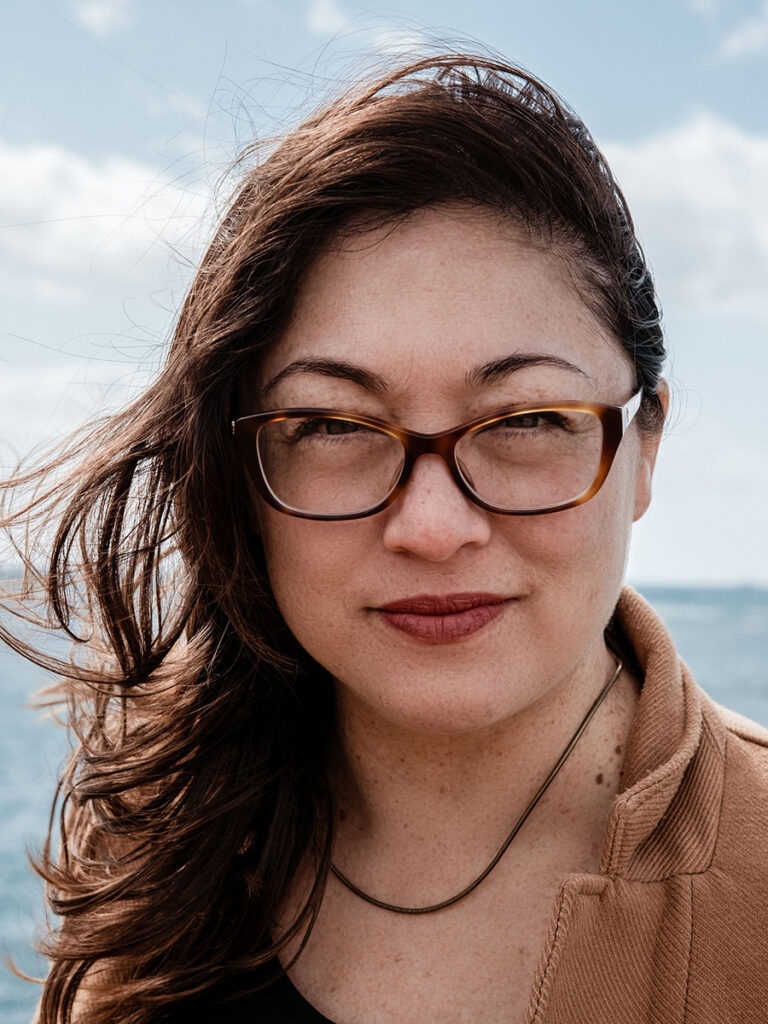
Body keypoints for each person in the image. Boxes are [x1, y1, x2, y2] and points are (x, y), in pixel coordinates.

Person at [5, 52, 768, 1024]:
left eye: (527, 419)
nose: (434, 526)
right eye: (332, 426)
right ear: (239, 469)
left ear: (643, 446)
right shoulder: (156, 843)